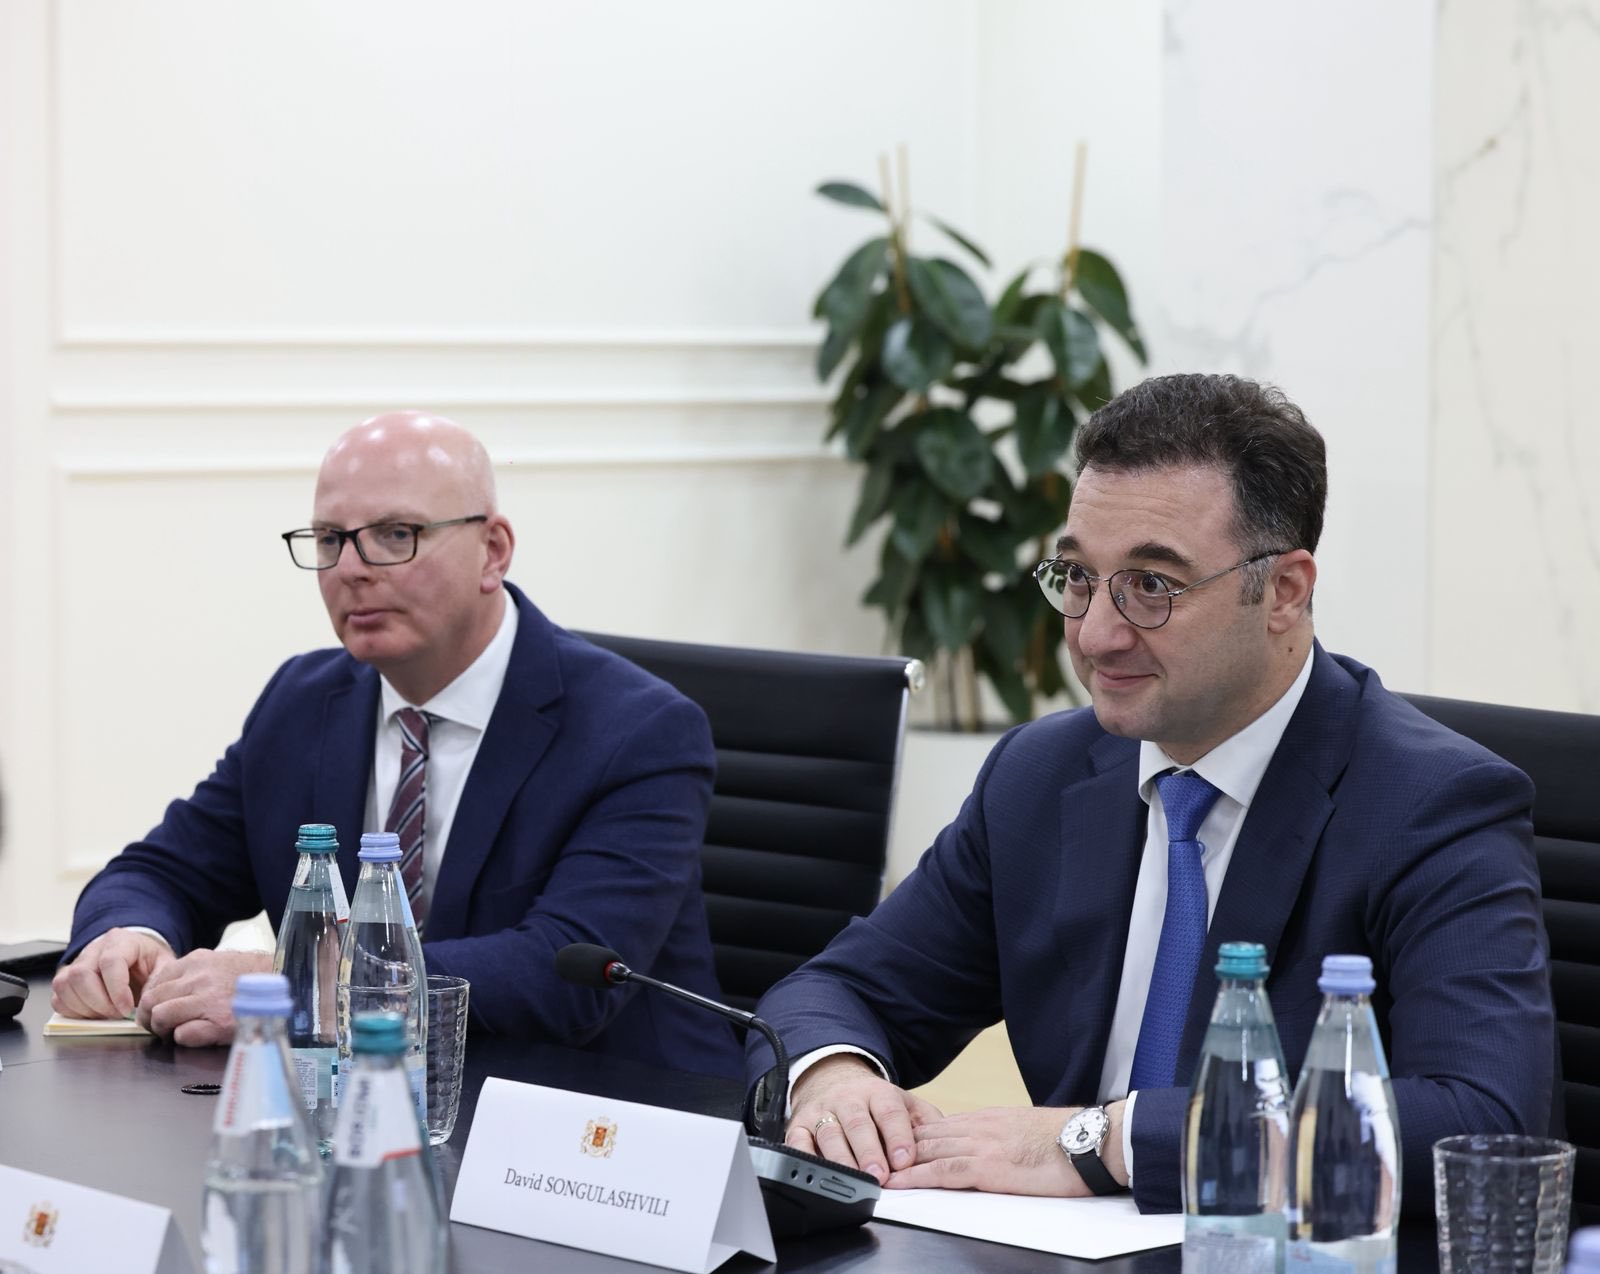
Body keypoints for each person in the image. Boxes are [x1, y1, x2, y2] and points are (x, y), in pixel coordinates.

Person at [752, 373, 1555, 1212]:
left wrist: (1111, 1140)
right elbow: (837, 991)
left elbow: (1478, 1120)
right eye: (1078, 576)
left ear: (1284, 591)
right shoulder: (1042, 775)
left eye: (1152, 586)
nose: (1096, 634)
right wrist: (835, 1080)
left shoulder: (1433, 804)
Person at [53, 410, 739, 1076]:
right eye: (330, 539)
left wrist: (304, 985)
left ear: (493, 551)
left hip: (598, 1114)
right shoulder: (301, 702)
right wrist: (130, 938)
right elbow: (164, 872)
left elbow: (564, 973)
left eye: (395, 534)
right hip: (357, 1103)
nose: (352, 568)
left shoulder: (638, 731)